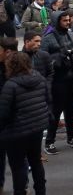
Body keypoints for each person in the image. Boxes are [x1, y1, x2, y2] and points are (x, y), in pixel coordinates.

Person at [0, 52, 49, 195]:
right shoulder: (39, 78)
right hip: (36, 127)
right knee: (36, 161)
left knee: (18, 166)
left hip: (16, 131)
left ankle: (20, 191)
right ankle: (41, 191)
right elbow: (47, 98)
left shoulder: (11, 85)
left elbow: (4, 113)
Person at [41, 10, 73, 154]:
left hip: (72, 77)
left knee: (70, 109)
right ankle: (49, 141)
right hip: (58, 79)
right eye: (65, 20)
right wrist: (59, 56)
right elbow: (43, 58)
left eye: (69, 20)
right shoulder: (48, 38)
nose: (68, 22)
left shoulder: (70, 33)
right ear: (57, 21)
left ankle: (72, 137)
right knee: (56, 110)